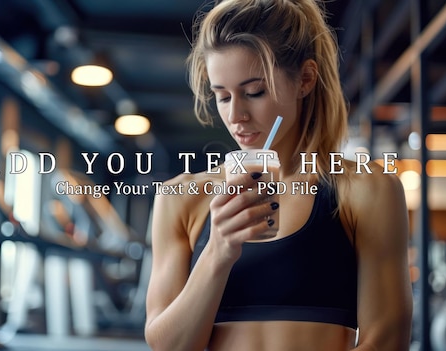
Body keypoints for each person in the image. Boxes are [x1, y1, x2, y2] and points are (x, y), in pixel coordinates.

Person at [144, 0, 413, 350]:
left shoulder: (367, 191)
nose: (236, 114)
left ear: (305, 79)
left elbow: (386, 341)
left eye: (254, 92)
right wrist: (217, 253)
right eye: (222, 97)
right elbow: (167, 346)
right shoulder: (180, 198)